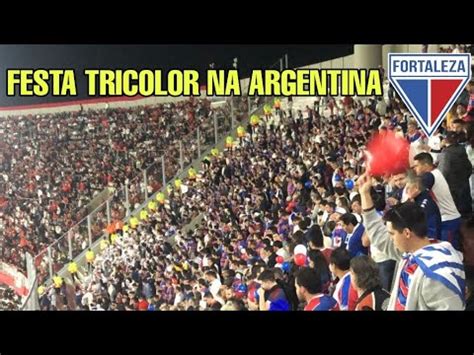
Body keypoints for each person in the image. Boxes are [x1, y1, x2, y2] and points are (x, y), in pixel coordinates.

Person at [357, 172, 465, 310]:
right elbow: (379, 236)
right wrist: (365, 193)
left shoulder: (437, 273)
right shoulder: (412, 254)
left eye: (392, 234)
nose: (390, 238)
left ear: (407, 233)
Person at [413, 153, 462, 249]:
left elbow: (416, 189)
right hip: (446, 219)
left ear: (426, 165)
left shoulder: (430, 176)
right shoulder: (436, 172)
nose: (415, 169)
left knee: (449, 253)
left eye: (417, 166)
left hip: (448, 220)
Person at [437, 131, 472, 217]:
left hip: (452, 184)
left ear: (445, 140)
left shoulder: (446, 153)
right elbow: (468, 166)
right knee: (466, 203)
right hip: (464, 181)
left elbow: (443, 171)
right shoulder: (461, 149)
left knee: (455, 208)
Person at [404, 174, 442, 241]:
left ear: (416, 188)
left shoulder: (424, 204)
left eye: (407, 188)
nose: (406, 192)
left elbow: (432, 229)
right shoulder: (418, 201)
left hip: (429, 242)